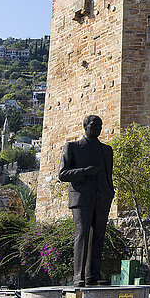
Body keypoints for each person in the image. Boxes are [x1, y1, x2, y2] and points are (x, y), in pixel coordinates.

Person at [59, 115, 114, 286]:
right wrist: (84, 171)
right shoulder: (73, 147)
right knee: (82, 234)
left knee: (98, 237)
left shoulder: (107, 150)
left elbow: (108, 174)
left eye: (100, 124)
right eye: (93, 124)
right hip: (82, 197)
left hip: (102, 197)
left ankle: (93, 275)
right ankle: (78, 275)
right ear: (85, 126)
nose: (97, 127)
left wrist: (110, 192)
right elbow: (62, 173)